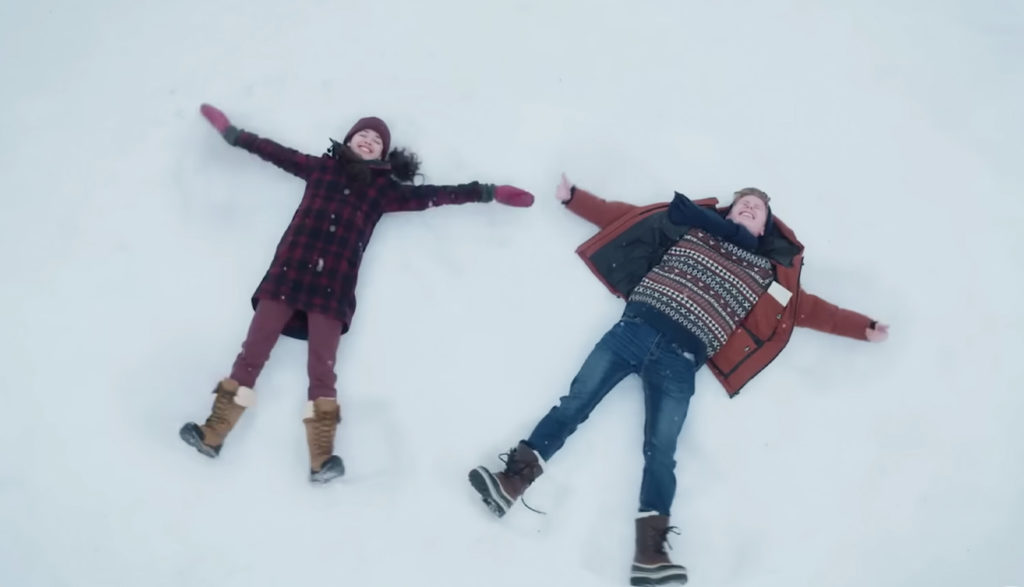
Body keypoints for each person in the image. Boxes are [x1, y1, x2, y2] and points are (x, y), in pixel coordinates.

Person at [468, 174, 888, 586]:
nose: (749, 206)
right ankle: (512, 482)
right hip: (633, 330)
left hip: (680, 360)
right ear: (728, 209)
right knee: (574, 404)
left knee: (662, 450)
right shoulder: (693, 230)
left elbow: (814, 311)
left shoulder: (768, 276)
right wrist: (575, 199)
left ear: (765, 227)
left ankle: (651, 554)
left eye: (757, 208)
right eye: (743, 201)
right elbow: (624, 217)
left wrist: (862, 327)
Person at [180, 103, 534, 483]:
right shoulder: (320, 168)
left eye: (376, 140)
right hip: (287, 275)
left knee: (322, 370)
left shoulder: (384, 192)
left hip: (332, 290)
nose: (368, 140)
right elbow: (274, 152)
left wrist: (488, 192)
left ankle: (321, 459)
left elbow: (436, 195)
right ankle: (214, 432)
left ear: (384, 154)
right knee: (251, 354)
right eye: (362, 134)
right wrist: (234, 135)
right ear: (348, 140)